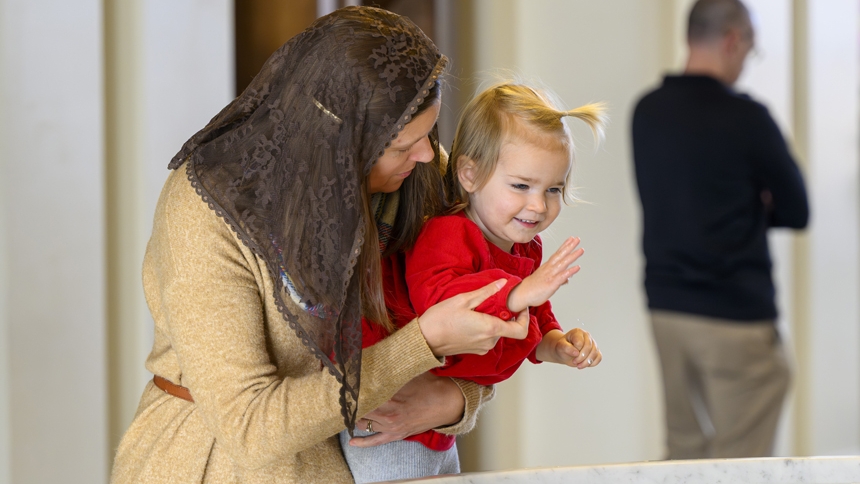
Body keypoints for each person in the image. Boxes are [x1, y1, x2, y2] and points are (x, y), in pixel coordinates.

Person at [110, 7, 533, 483]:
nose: (426, 155)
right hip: (215, 465)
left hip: (367, 459)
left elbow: (483, 323)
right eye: (401, 146)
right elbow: (250, 428)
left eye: (428, 135)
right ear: (337, 138)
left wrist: (455, 398)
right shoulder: (208, 208)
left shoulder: (420, 176)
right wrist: (422, 345)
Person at [340, 83, 606, 483]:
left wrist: (555, 344)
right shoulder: (448, 233)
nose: (538, 205)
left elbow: (537, 316)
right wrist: (518, 293)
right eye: (521, 186)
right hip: (389, 422)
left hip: (434, 430)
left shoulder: (525, 247)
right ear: (469, 173)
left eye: (553, 189)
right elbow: (442, 303)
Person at [631, 0, 809, 459]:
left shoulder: (646, 112)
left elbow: (674, 200)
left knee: (683, 453)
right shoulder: (748, 119)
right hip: (735, 316)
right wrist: (756, 203)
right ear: (733, 41)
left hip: (666, 309)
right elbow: (797, 209)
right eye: (751, 47)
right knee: (741, 462)